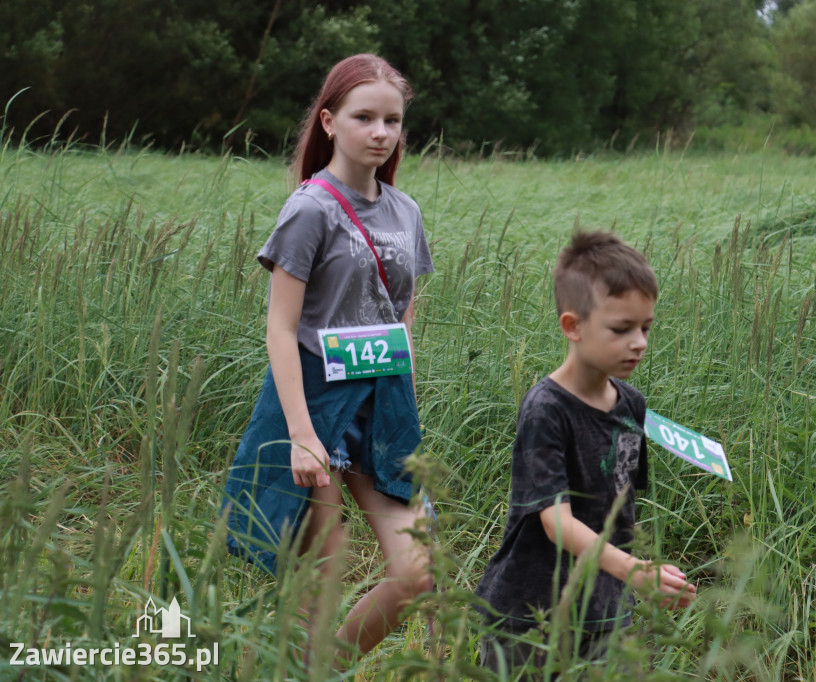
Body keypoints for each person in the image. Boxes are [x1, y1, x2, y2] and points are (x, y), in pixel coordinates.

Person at [222, 54, 433, 666]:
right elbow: (281, 329)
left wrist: (405, 415)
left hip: (382, 404)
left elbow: (404, 318)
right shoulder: (310, 208)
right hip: (314, 402)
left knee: (417, 574)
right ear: (329, 122)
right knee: (325, 575)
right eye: (364, 117)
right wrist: (300, 435)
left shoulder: (406, 212)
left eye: (392, 121)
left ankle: (326, 667)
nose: (380, 132)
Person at [474, 230, 697, 675]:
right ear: (573, 326)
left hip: (605, 610)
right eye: (621, 329)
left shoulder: (631, 404)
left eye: (645, 328)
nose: (639, 342)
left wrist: (648, 573)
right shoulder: (546, 409)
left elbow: (620, 510)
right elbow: (557, 523)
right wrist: (633, 570)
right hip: (530, 614)